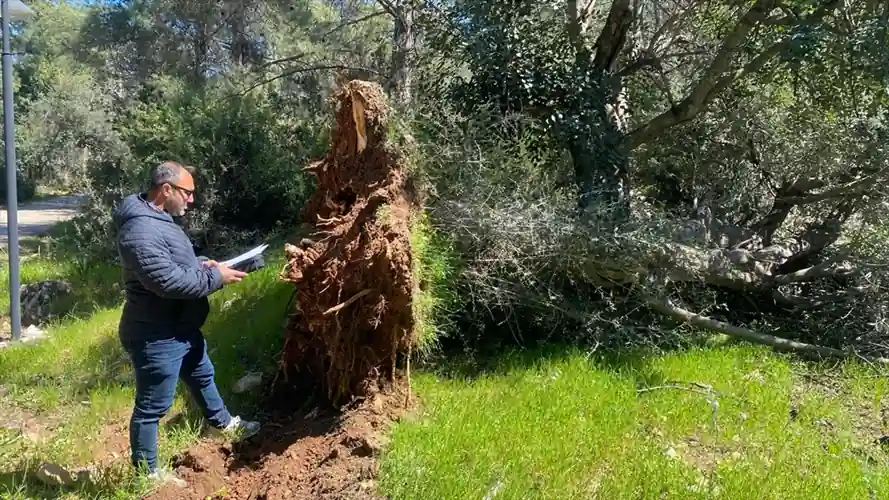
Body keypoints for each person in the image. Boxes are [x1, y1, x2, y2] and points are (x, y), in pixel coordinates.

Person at [112, 161, 260, 487]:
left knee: (202, 373)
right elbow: (167, 282)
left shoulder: (157, 219)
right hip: (156, 334)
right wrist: (215, 277)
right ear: (167, 189)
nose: (191, 200)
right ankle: (147, 475)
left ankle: (222, 423)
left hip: (180, 326)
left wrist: (201, 264)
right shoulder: (138, 230)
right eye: (188, 193)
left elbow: (174, 263)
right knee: (153, 406)